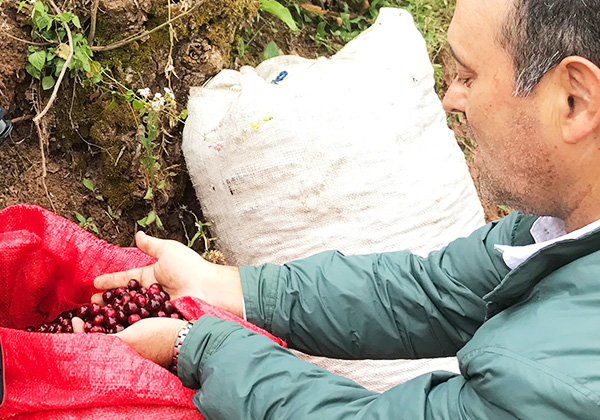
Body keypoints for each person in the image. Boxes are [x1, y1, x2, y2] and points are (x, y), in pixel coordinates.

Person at [92, 0, 600, 418]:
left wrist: (195, 344)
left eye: (468, 77)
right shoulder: (561, 228)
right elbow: (431, 291)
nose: (450, 99)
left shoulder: (558, 381)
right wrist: (224, 287)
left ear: (574, 101)